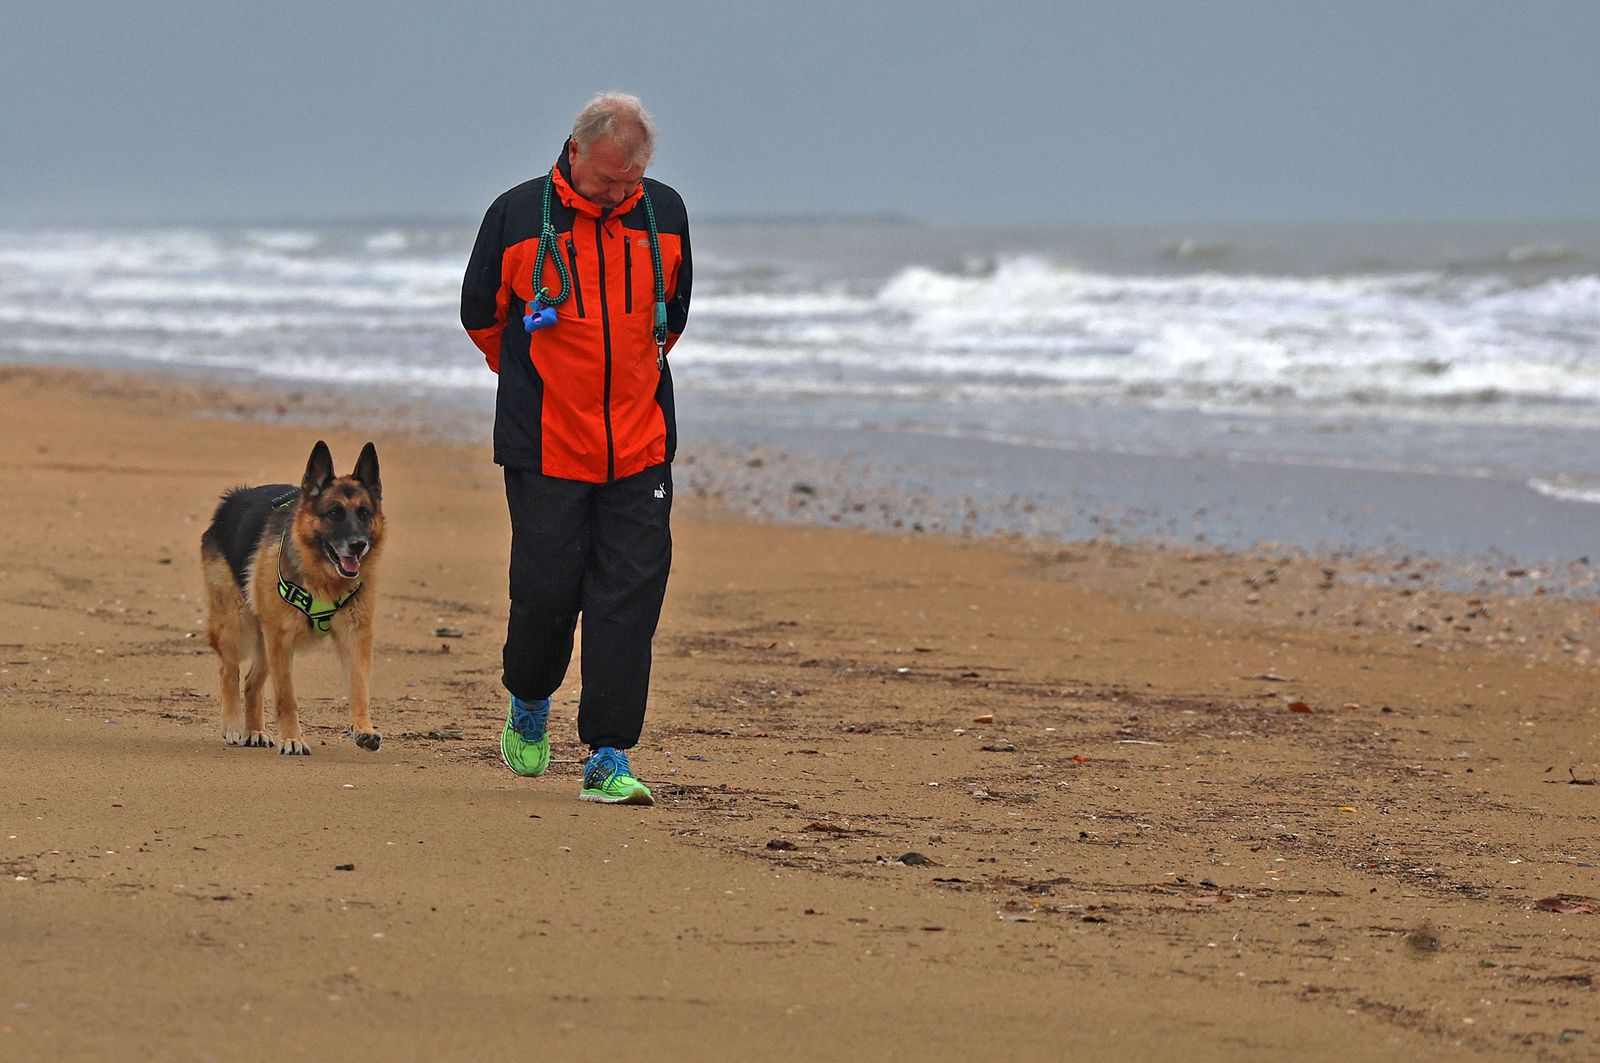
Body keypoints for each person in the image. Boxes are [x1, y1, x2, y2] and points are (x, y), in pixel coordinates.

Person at [461, 93, 691, 806]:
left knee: (628, 601)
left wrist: (624, 389)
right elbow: (481, 315)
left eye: (632, 181)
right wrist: (539, 382)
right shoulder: (515, 214)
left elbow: (672, 317)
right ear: (575, 150)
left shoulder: (665, 214)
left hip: (640, 445)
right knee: (546, 593)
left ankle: (608, 754)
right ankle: (530, 698)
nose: (621, 193)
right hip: (546, 444)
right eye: (609, 180)